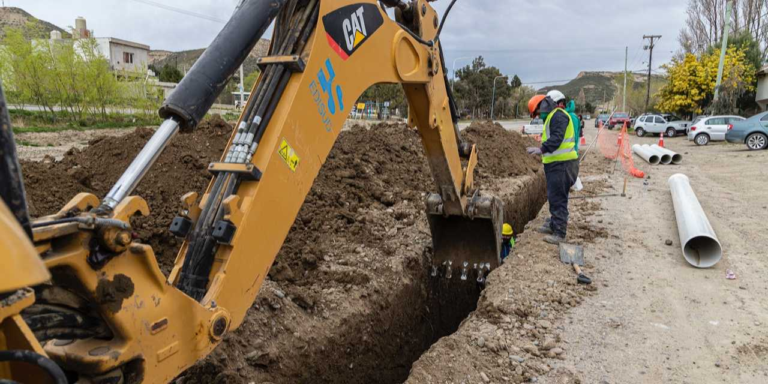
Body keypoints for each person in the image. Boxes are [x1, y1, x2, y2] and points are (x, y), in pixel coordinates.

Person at [526, 90, 579, 245]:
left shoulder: (558, 115)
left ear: (541, 106)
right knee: (554, 197)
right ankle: (553, 224)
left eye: (536, 113)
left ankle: (560, 233)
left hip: (563, 165)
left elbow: (557, 138)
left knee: (558, 199)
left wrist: (542, 149)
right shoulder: (552, 116)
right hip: (557, 165)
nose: (537, 117)